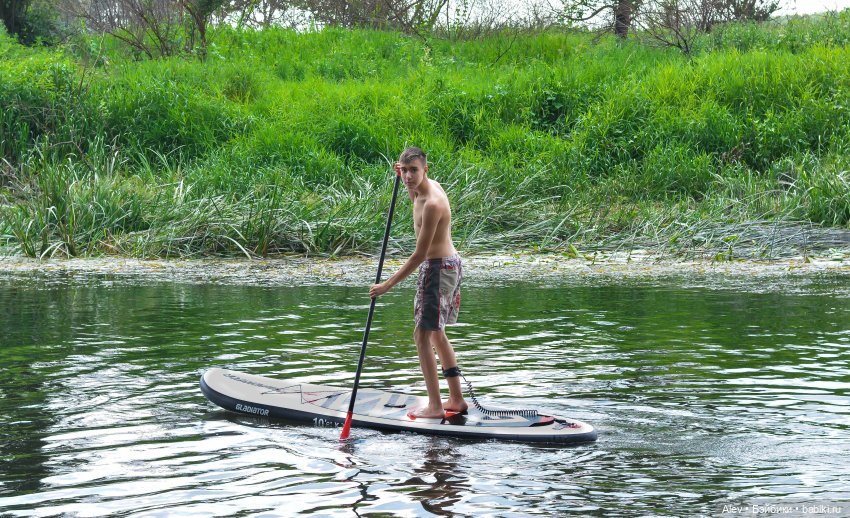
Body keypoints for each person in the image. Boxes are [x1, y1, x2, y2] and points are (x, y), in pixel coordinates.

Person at [369, 147, 468, 419]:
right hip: (446, 265)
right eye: (404, 170)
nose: (408, 177)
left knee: (421, 335)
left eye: (414, 170)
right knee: (436, 332)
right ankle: (456, 399)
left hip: (438, 268)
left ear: (426, 169)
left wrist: (386, 285)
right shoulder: (421, 188)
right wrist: (403, 176)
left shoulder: (433, 202)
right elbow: (413, 193)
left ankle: (435, 406)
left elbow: (420, 255)